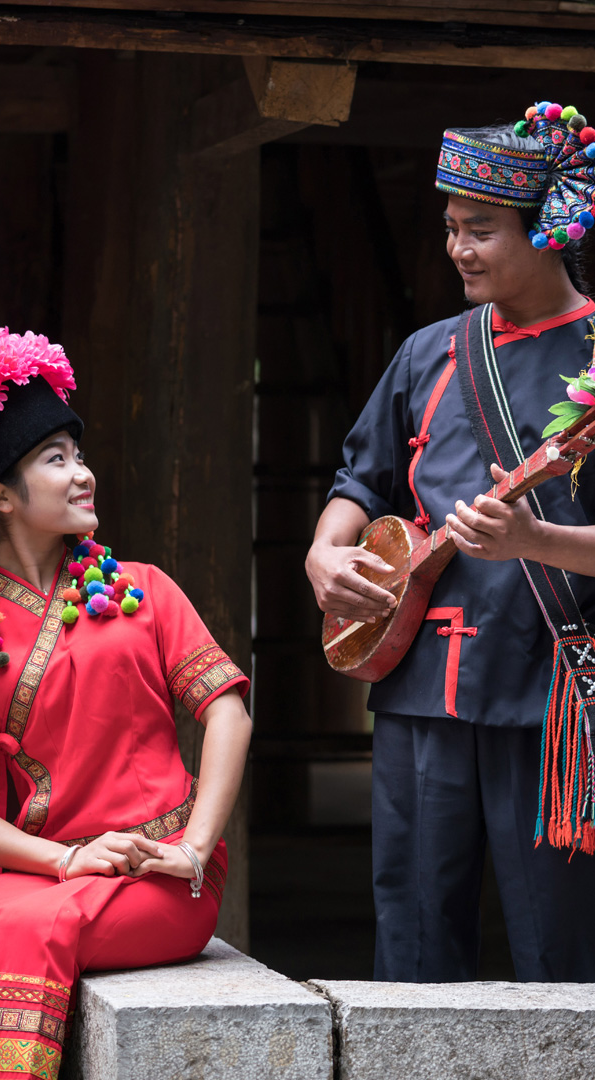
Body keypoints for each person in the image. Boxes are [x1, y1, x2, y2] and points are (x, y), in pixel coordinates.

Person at [306, 101, 595, 983]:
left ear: (546, 230)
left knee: (559, 947)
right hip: (419, 683)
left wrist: (536, 539)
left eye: (480, 230)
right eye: (449, 228)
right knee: (414, 936)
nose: (458, 249)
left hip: (547, 694)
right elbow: (361, 479)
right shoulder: (428, 352)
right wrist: (326, 552)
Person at [0, 314, 252, 1079]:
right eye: (56, 459)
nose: (83, 473)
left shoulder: (144, 589)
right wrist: (68, 859)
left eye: (79, 455)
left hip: (161, 875)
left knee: (14, 933)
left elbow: (227, 713)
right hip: (52, 872)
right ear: (0, 495)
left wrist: (193, 848)